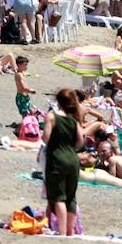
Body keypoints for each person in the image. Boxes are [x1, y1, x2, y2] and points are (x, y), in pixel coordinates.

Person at [43, 88, 87, 236]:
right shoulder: (74, 120)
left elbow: (45, 138)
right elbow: (80, 142)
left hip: (57, 158)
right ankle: (70, 232)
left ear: (59, 102)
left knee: (58, 197)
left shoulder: (52, 117)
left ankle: (61, 232)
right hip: (73, 159)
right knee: (71, 197)